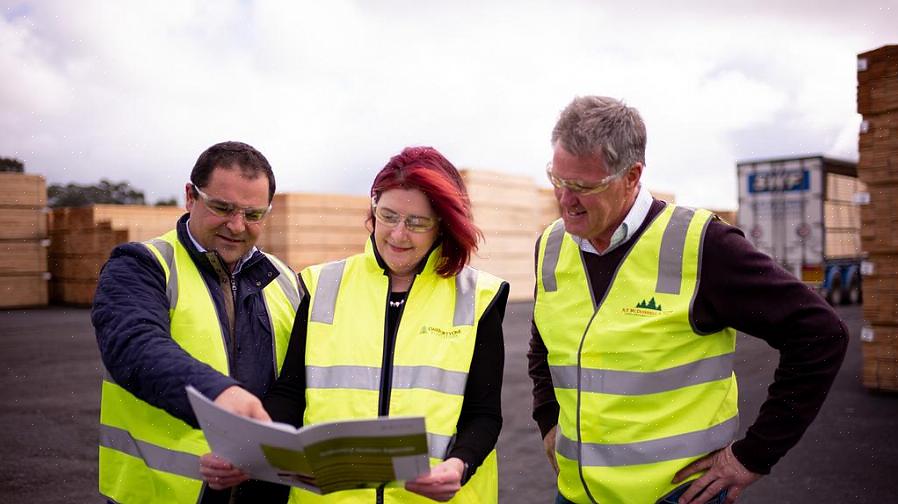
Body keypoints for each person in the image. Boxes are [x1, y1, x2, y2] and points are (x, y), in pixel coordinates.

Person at [528, 96, 849, 504]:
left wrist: (752, 456)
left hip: (676, 496)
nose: (565, 199)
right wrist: (547, 417)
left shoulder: (700, 246)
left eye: (583, 187)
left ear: (632, 176)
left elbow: (820, 334)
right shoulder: (552, 246)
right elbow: (545, 341)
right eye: (558, 179)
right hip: (576, 495)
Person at [199, 146, 510, 503]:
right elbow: (291, 392)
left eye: (417, 223)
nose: (398, 234)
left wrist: (460, 464)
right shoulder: (322, 286)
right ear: (373, 210)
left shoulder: (477, 297)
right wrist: (249, 448)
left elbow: (484, 415)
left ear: (442, 224)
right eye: (388, 216)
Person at [92, 141, 301, 503]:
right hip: (164, 494)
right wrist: (218, 395)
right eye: (222, 208)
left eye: (253, 215)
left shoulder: (285, 280)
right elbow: (134, 345)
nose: (237, 226)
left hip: (262, 492)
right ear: (190, 196)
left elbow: (297, 381)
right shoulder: (142, 265)